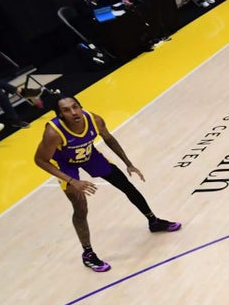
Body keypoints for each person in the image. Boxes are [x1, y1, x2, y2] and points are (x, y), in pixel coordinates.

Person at [33, 96, 180, 272]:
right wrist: (72, 180)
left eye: (75, 107)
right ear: (60, 115)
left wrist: (128, 163)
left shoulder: (94, 119)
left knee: (126, 186)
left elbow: (109, 139)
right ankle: (88, 254)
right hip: (64, 165)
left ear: (80, 107)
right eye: (66, 110)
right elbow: (40, 160)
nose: (73, 112)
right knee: (80, 207)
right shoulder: (53, 132)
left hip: (89, 155)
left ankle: (153, 221)